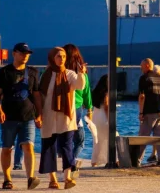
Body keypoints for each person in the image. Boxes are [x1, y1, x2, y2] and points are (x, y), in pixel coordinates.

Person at [0, 43, 42, 190]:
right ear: (14, 54)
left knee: (28, 146)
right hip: (9, 117)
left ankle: (30, 177)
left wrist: (39, 114)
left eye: (27, 53)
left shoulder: (33, 72)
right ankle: (7, 179)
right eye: (22, 53)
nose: (25, 55)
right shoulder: (4, 72)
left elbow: (36, 95)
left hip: (28, 117)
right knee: (7, 148)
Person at [38, 47, 86, 189]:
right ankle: (52, 179)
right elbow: (41, 96)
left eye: (64, 56)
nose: (62, 59)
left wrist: (82, 74)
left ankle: (68, 178)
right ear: (52, 57)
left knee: (67, 147)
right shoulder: (46, 75)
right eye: (59, 56)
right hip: (48, 117)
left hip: (66, 117)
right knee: (48, 147)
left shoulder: (70, 74)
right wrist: (38, 115)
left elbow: (79, 85)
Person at [63, 43, 92, 176]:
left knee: (65, 139)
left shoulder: (61, 73)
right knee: (79, 141)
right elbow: (86, 92)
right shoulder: (81, 74)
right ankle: (70, 164)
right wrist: (90, 110)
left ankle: (69, 164)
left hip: (61, 107)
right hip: (77, 108)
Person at [136, 58, 160, 166]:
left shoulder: (144, 78)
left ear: (147, 66)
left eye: (142, 66)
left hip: (149, 112)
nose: (141, 68)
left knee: (142, 137)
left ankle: (137, 160)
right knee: (159, 137)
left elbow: (142, 96)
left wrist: (141, 113)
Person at [91, 75, 116, 167]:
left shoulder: (95, 92)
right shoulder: (106, 93)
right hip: (103, 117)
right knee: (111, 138)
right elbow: (106, 106)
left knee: (97, 140)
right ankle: (114, 159)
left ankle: (94, 161)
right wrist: (110, 120)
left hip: (96, 117)